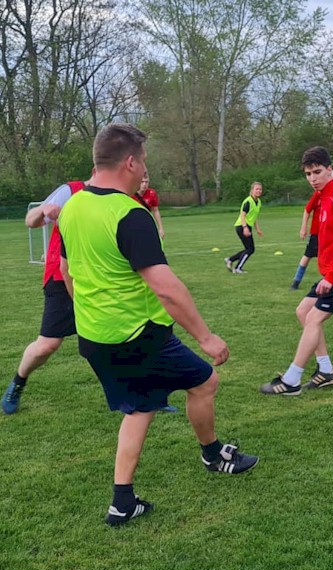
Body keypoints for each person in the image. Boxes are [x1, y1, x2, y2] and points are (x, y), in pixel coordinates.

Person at [58, 123, 258, 526]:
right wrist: (206, 336)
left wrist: (88, 310)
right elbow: (165, 288)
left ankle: (122, 501)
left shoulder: (73, 207)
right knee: (205, 381)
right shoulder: (129, 214)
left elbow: (66, 271)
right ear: (130, 161)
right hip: (139, 336)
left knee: (139, 408)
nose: (143, 168)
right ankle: (211, 454)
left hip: (95, 337)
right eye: (143, 160)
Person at [261, 149, 333, 396]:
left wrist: (331, 277)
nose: (313, 178)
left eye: (318, 172)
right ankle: (326, 371)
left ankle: (291, 380)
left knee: (313, 318)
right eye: (308, 174)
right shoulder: (322, 197)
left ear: (330, 169)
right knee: (303, 311)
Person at [1, 180, 86, 414]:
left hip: (98, 276)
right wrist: (41, 210)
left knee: (127, 334)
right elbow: (31, 220)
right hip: (60, 276)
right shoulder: (71, 190)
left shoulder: (121, 196)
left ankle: (147, 394)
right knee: (47, 345)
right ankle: (18, 381)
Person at [289, 170, 333, 291]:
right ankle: (296, 282)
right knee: (307, 256)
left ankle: (332, 281)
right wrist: (304, 227)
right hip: (317, 233)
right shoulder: (319, 194)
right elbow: (307, 210)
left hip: (331, 234)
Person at [224, 182, 263, 274]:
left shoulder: (258, 202)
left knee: (248, 249)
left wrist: (258, 229)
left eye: (260, 189)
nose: (259, 191)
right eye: (257, 189)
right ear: (252, 190)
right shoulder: (248, 201)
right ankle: (238, 268)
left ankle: (230, 260)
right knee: (250, 249)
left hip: (246, 226)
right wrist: (245, 227)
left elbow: (255, 216)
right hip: (242, 226)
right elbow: (242, 215)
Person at [135, 172, 165, 238]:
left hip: (146, 222)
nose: (144, 184)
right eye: (142, 182)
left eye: (146, 182)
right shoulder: (130, 193)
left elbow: (155, 211)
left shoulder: (152, 193)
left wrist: (160, 228)